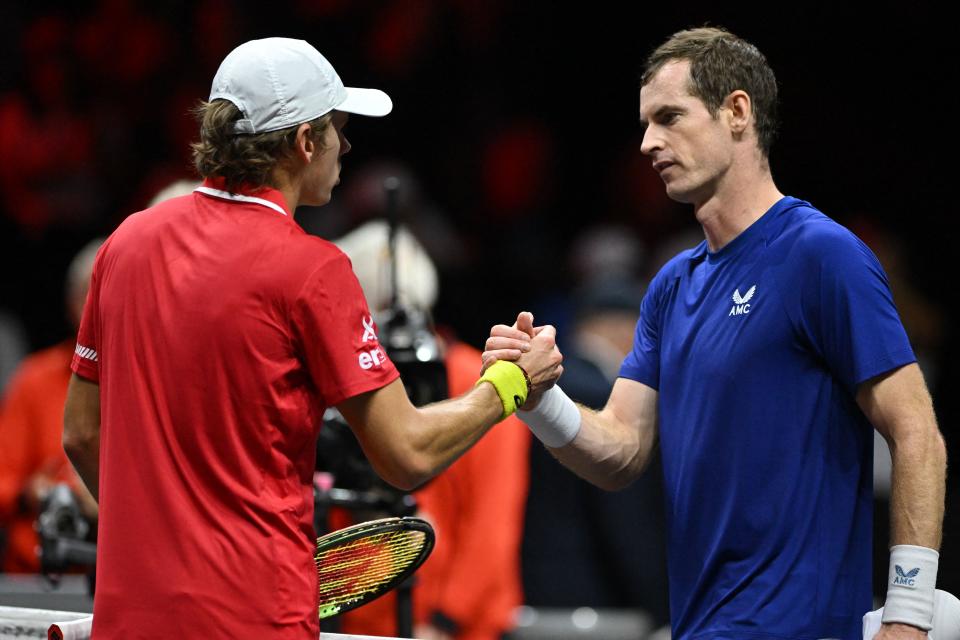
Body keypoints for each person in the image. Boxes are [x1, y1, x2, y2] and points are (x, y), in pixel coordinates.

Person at [61, 37, 561, 640]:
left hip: (131, 618)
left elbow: (82, 434)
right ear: (304, 143)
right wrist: (508, 384)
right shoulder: (312, 270)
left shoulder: (126, 243)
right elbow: (406, 455)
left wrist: (157, 541)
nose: (345, 147)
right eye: (338, 130)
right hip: (255, 620)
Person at [483, 27, 947, 640]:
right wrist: (540, 399)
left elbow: (917, 432)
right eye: (646, 123)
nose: (648, 142)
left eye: (670, 117)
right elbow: (622, 450)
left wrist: (910, 617)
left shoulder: (822, 256)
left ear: (737, 112)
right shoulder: (670, 286)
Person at [331, 220, 530, 640]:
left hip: (453, 628)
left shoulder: (481, 380)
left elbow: (492, 526)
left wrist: (444, 622)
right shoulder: (349, 384)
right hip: (359, 622)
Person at [0, 238, 101, 573]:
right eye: (91, 294)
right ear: (72, 304)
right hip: (39, 573)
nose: (102, 306)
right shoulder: (35, 379)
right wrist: (31, 493)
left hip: (124, 577)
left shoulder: (154, 380)